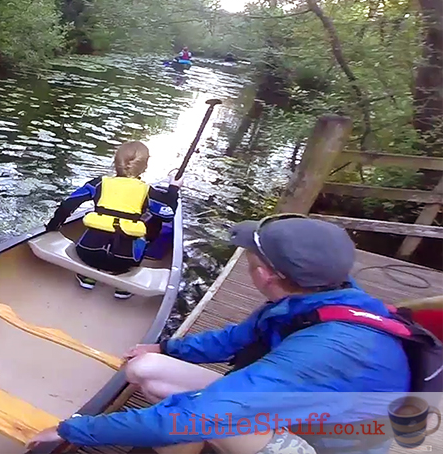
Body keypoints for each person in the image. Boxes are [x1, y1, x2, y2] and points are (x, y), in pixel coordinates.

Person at [28, 215, 414, 454]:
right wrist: (165, 347)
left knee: (196, 417)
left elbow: (196, 416)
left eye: (251, 263)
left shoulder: (324, 348)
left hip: (321, 444)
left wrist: (71, 428)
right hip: (299, 408)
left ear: (265, 274)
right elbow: (235, 338)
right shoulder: (315, 296)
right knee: (148, 370)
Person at [43, 141, 181, 299]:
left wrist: (52, 227)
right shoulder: (148, 191)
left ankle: (87, 277)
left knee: (93, 232)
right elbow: (168, 214)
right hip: (124, 261)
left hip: (87, 253)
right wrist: (174, 188)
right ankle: (122, 287)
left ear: (115, 163)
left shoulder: (98, 184)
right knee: (151, 224)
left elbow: (68, 205)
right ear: (145, 167)